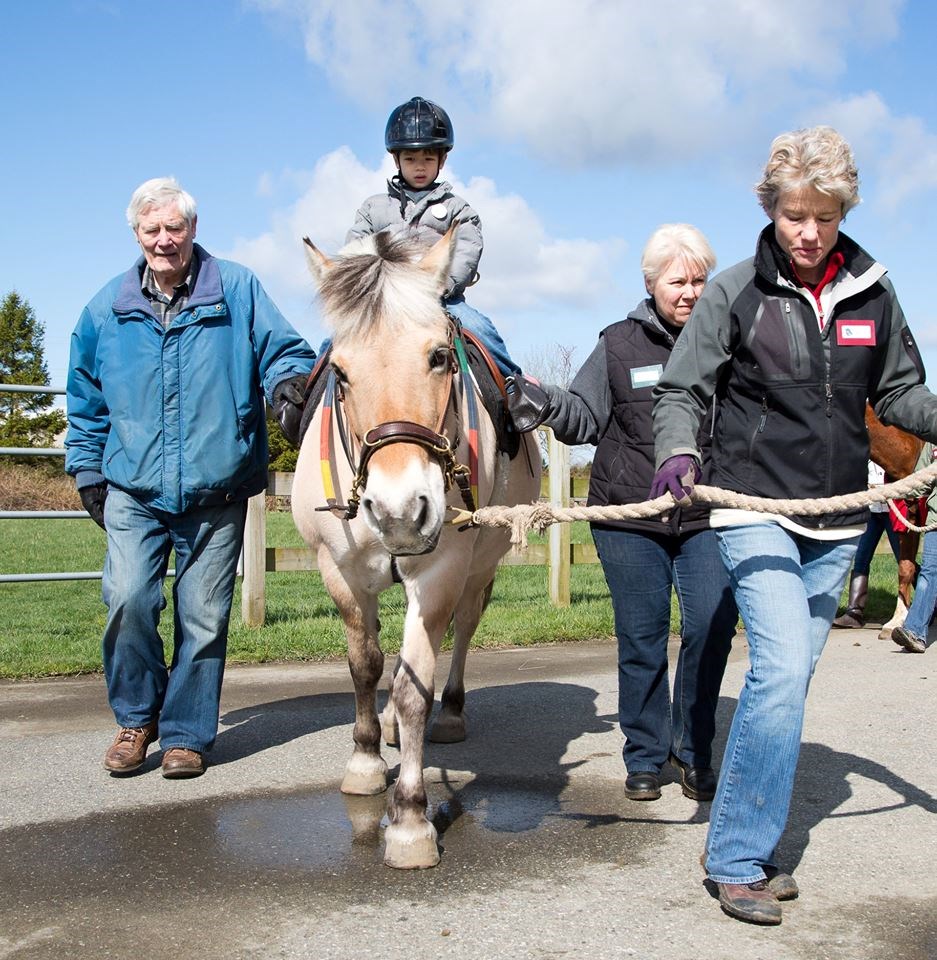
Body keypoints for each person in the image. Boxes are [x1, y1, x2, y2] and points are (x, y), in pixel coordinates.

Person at [651, 126, 937, 925]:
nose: (807, 233)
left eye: (822, 216)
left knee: (789, 682)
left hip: (838, 515)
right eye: (791, 215)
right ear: (769, 208)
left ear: (843, 210)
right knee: (778, 672)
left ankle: (749, 838)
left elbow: (901, 393)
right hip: (754, 510)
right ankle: (737, 858)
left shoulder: (873, 293)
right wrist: (676, 453)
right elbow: (680, 390)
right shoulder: (735, 290)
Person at [65, 177, 316, 779]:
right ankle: (135, 719)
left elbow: (287, 351)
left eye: (173, 228)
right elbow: (85, 397)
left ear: (193, 229)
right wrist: (88, 470)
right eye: (152, 230)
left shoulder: (238, 288)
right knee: (127, 599)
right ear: (136, 235)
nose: (164, 240)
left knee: (203, 618)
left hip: (217, 486)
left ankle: (186, 735)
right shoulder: (107, 308)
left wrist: (286, 385)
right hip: (133, 487)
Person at [506, 224, 738, 803]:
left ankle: (693, 750)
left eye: (699, 280)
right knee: (642, 636)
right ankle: (645, 754)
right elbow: (583, 415)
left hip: (707, 513)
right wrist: (548, 403)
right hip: (628, 513)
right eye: (676, 280)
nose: (689, 291)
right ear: (651, 284)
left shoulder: (727, 343)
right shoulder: (617, 344)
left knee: (710, 629)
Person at [346, 95, 520, 377]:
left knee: (480, 328)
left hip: (442, 301)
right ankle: (314, 394)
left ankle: (514, 388)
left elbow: (466, 249)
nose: (419, 166)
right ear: (396, 160)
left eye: (428, 158)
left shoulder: (457, 209)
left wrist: (443, 283)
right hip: (384, 301)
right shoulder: (373, 208)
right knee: (337, 338)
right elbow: (356, 249)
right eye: (411, 158)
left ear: (442, 159)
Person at [831, 460, 901, 628]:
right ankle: (854, 612)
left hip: (892, 508)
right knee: (861, 559)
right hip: (872, 509)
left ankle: (928, 605)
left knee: (903, 559)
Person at [892, 442, 937, 652]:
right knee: (930, 573)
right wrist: (898, 490)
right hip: (936, 519)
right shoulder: (934, 438)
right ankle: (915, 632)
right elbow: (922, 477)